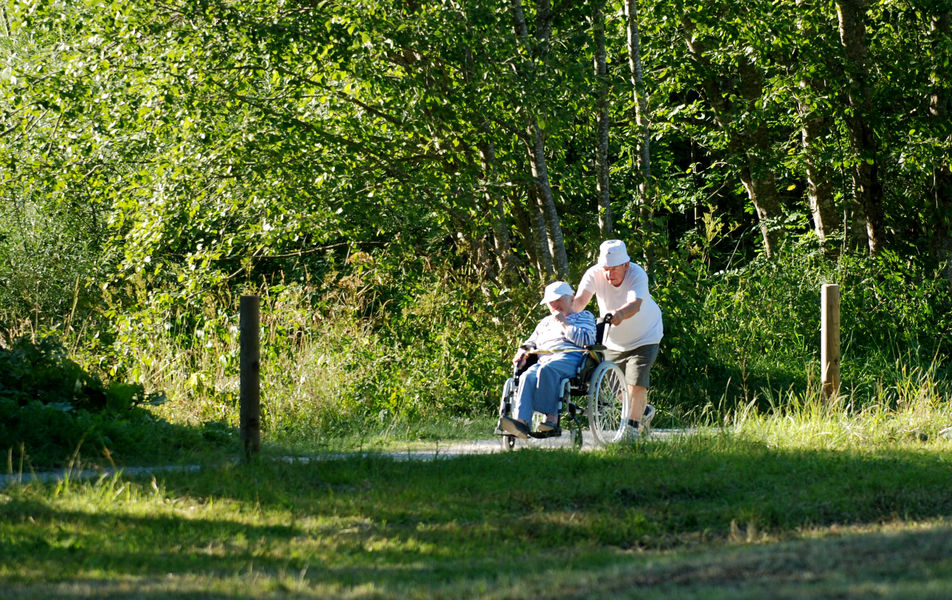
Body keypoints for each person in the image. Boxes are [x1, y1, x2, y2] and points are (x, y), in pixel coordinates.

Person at [572, 239, 663, 441]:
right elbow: (579, 302)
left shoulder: (637, 274)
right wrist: (563, 312)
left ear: (626, 265)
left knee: (636, 380)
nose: (608, 274)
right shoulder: (594, 274)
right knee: (619, 389)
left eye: (613, 269)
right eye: (605, 268)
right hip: (613, 340)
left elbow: (635, 304)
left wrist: (619, 314)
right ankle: (644, 412)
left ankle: (631, 432)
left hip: (645, 336)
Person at [498, 281, 596, 439]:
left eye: (558, 300)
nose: (554, 305)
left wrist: (564, 323)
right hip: (544, 358)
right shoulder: (544, 323)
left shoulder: (584, 316)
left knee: (548, 369)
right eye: (551, 302)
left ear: (571, 299)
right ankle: (521, 422)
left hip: (571, 357)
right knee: (527, 376)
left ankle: (551, 420)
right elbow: (530, 342)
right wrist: (522, 352)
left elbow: (588, 340)